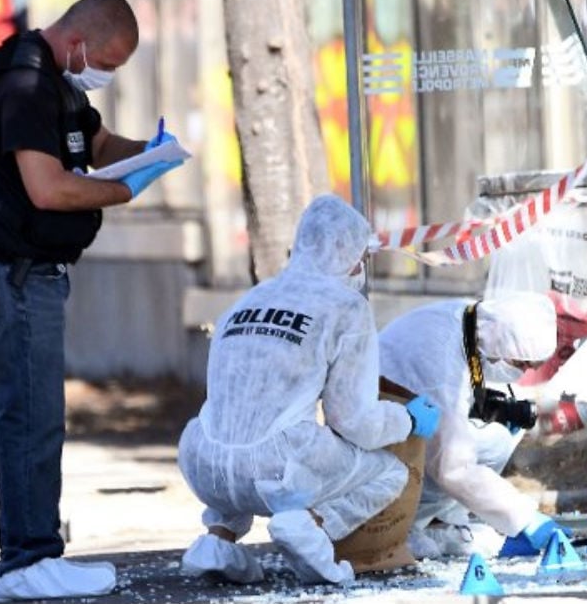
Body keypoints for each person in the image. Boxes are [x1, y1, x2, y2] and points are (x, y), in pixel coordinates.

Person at [0, 0, 184, 602]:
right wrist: (123, 194)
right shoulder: (26, 84)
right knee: (30, 420)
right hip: (10, 274)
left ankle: (32, 555)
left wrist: (154, 155)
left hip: (24, 271)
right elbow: (49, 189)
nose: (107, 75)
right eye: (107, 61)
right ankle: (29, 563)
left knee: (34, 415)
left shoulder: (59, 83)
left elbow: (98, 146)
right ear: (78, 43)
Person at [176, 195, 442, 585]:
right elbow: (354, 421)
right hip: (277, 470)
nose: (361, 268)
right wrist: (407, 418)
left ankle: (220, 539)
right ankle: (308, 529)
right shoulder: (345, 307)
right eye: (361, 258)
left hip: (203, 462)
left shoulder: (248, 299)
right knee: (388, 474)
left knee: (244, 436)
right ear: (346, 251)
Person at [378, 292, 564, 558]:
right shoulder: (441, 363)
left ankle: (443, 521)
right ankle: (408, 523)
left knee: (496, 439)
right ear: (501, 343)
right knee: (462, 453)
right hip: (384, 449)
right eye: (520, 364)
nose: (523, 372)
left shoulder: (472, 323)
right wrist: (524, 517)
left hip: (401, 425)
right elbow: (452, 467)